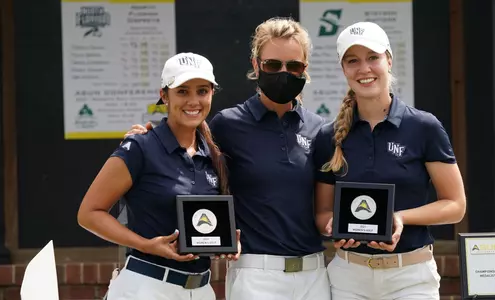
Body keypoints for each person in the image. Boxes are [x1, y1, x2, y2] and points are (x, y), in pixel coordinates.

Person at [124, 17, 331, 300]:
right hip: (255, 275)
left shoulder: (320, 129)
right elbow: (181, 146)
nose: (283, 73)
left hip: (315, 275)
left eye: (293, 66)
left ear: (304, 70)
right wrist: (143, 137)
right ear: (256, 64)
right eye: (273, 65)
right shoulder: (226, 125)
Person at [313, 21, 466, 299]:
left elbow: (455, 205)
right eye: (353, 61)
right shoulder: (329, 136)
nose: (364, 69)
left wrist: (399, 218)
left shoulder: (424, 127)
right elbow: (322, 211)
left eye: (373, 57)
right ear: (343, 69)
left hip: (411, 277)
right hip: (348, 277)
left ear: (389, 60)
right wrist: (333, 225)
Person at [77, 52, 240, 300]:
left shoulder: (214, 154)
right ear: (164, 95)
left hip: (202, 290)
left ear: (212, 94)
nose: (193, 100)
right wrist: (145, 244)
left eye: (202, 91)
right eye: (182, 91)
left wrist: (225, 243)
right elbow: (89, 214)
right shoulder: (140, 147)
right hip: (146, 286)